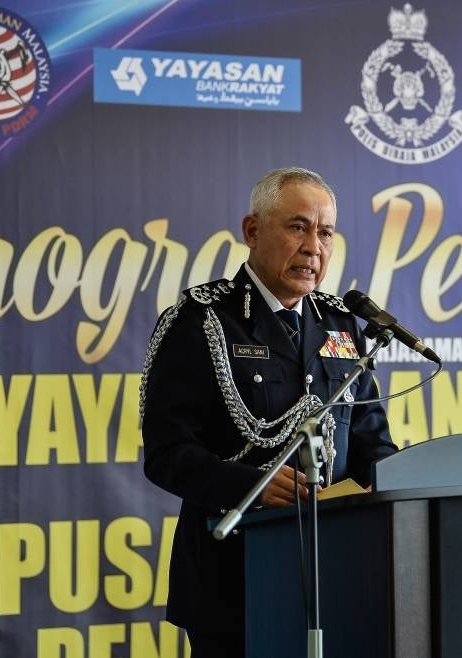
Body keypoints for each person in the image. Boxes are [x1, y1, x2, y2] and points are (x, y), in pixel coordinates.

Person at [139, 167, 397, 656]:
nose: (313, 248)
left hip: (337, 576)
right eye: (298, 227)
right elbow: (166, 453)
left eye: (325, 233)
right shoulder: (200, 322)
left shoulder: (343, 327)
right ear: (253, 231)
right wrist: (250, 487)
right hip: (234, 581)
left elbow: (371, 444)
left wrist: (403, 487)